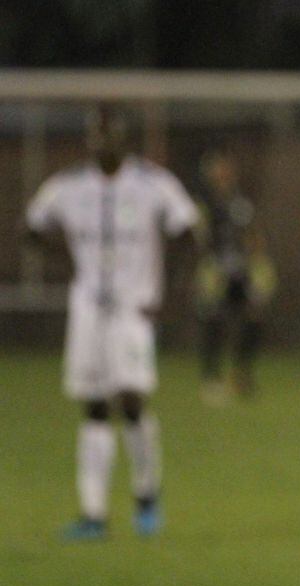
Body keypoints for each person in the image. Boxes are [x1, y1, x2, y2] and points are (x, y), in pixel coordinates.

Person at [25, 105, 198, 540]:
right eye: (95, 135)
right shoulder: (69, 187)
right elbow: (31, 228)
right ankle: (93, 513)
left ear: (126, 138)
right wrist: (61, 257)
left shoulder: (152, 184)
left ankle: (146, 495)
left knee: (132, 400)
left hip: (133, 308)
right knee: (94, 406)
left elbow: (190, 234)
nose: (102, 142)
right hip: (88, 310)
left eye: (110, 134)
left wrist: (170, 297)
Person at [193, 147, 275, 403]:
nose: (223, 173)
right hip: (215, 270)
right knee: (213, 321)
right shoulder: (203, 203)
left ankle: (241, 372)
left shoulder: (241, 202)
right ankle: (211, 377)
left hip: (241, 270)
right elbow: (197, 237)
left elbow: (253, 235)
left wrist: (259, 262)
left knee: (254, 317)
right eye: (218, 168)